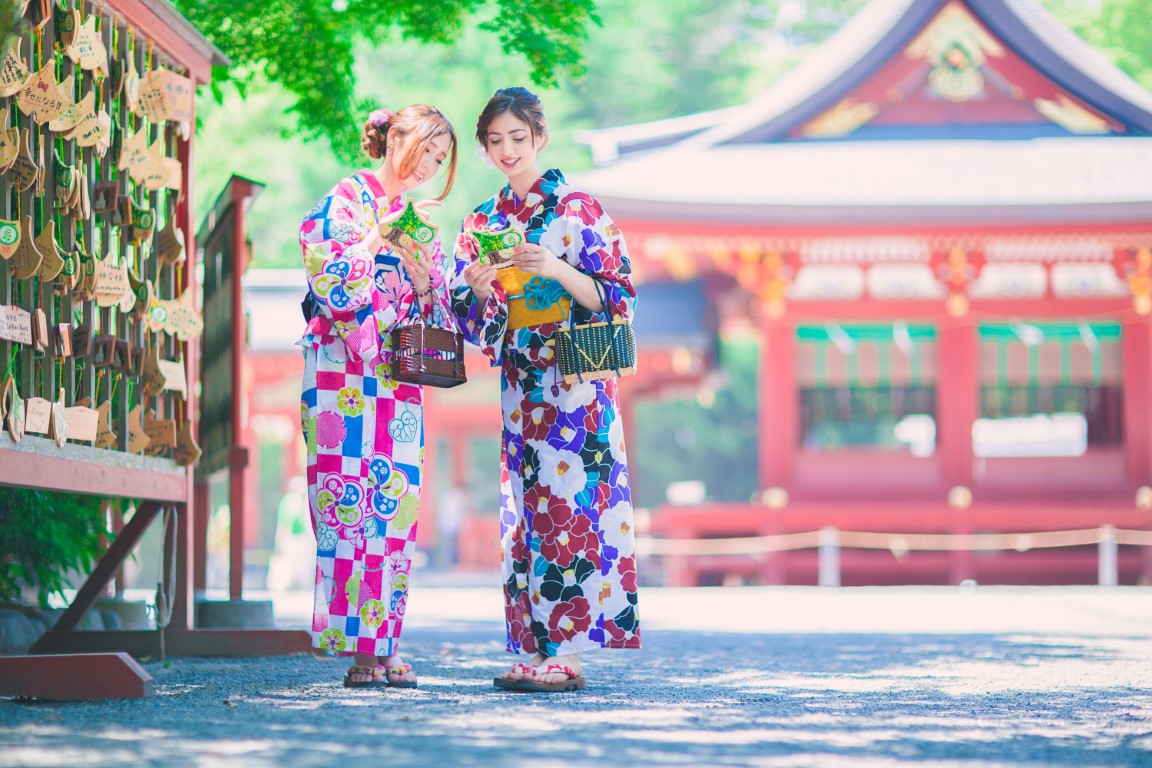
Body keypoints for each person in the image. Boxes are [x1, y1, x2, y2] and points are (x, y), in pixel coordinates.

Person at [450, 87, 641, 693]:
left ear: (540, 138)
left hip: (577, 383)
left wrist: (556, 268)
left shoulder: (580, 210)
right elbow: (471, 319)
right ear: (484, 148)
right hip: (521, 385)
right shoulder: (481, 221)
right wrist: (479, 289)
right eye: (495, 141)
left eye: (517, 138)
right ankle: (536, 648)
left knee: (574, 510)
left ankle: (570, 653)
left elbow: (617, 297)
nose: (507, 150)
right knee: (525, 516)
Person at [299, 104, 458, 688]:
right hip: (340, 373)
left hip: (397, 379)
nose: (431, 167)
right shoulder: (341, 202)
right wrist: (374, 236)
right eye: (426, 150)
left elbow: (438, 313)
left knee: (394, 509)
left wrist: (422, 281)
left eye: (441, 160)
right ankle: (361, 649)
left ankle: (385, 641)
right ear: (396, 139)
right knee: (346, 506)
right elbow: (327, 273)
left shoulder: (421, 222)